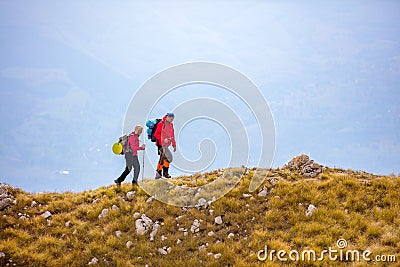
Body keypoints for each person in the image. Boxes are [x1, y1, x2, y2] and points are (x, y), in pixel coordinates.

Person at [154, 113, 176, 179]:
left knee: (162, 158)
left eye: (173, 118)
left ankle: (159, 173)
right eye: (171, 118)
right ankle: (165, 173)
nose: (172, 119)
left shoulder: (171, 125)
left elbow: (172, 136)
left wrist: (174, 145)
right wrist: (163, 140)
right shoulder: (161, 124)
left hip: (166, 145)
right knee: (169, 157)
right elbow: (156, 134)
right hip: (161, 144)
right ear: (167, 117)